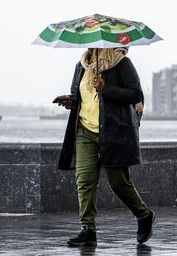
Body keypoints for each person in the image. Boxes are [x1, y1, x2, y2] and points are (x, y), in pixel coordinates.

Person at [56, 47, 155, 246]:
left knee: (119, 183)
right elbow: (81, 96)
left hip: (113, 133)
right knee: (84, 180)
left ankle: (144, 215)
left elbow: (136, 94)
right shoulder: (82, 65)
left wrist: (105, 87)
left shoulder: (121, 63)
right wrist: (71, 100)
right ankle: (87, 229)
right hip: (84, 131)